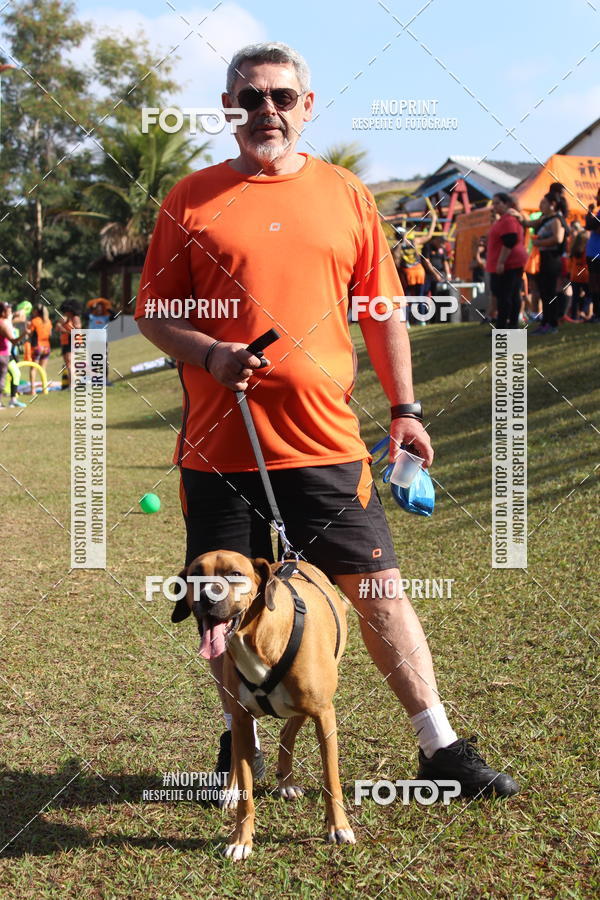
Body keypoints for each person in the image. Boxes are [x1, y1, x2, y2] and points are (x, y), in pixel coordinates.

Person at [135, 41, 519, 798]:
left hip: (326, 447)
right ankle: (239, 738)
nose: (265, 111)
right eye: (249, 98)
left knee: (378, 592)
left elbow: (382, 313)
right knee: (222, 605)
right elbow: (155, 312)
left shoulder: (346, 195)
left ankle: (437, 746)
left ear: (307, 107)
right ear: (227, 108)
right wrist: (210, 352)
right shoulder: (189, 198)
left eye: (281, 97)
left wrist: (405, 410)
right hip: (220, 451)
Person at [485, 193, 528, 329]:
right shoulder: (505, 219)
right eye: (493, 203)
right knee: (508, 294)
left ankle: (506, 325)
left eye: (497, 203)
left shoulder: (508, 220)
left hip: (510, 263)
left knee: (506, 295)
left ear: (506, 204)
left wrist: (501, 262)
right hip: (509, 262)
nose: (494, 206)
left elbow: (510, 241)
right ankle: (507, 324)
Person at [530, 193, 567, 335]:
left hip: (552, 259)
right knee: (544, 292)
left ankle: (552, 324)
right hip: (543, 259)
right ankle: (545, 322)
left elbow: (558, 238)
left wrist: (539, 243)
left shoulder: (556, 219)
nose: (541, 206)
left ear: (552, 204)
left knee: (549, 292)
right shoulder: (544, 219)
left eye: (543, 203)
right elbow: (529, 224)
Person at [0, 302, 26, 408]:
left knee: (15, 374)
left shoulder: (7, 319)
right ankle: (10, 400)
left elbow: (20, 317)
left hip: (8, 353)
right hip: (4, 354)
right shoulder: (4, 323)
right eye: (8, 310)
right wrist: (25, 333)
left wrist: (16, 313)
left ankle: (13, 400)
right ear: (3, 312)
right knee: (4, 377)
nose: (10, 312)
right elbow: (13, 340)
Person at [27, 303, 52, 394]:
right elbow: (50, 334)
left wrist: (27, 326)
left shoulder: (34, 321)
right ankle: (45, 389)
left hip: (37, 347)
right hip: (47, 347)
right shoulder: (48, 321)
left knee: (33, 368)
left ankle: (33, 390)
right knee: (43, 369)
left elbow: (29, 333)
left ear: (36, 311)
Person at [57, 300, 82, 387]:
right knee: (68, 364)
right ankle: (72, 384)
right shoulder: (66, 318)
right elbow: (57, 328)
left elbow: (77, 331)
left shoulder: (75, 318)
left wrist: (64, 330)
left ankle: (73, 385)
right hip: (66, 342)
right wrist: (60, 326)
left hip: (72, 342)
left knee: (70, 363)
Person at [567, 224, 589, 321]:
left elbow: (570, 262)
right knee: (589, 294)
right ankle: (583, 311)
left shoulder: (573, 248)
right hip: (584, 275)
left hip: (574, 275)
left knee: (575, 297)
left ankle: (574, 316)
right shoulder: (586, 249)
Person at [584, 189, 600, 323]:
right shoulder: (598, 212)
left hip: (597, 254)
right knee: (593, 284)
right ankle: (595, 314)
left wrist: (589, 215)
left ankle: (597, 314)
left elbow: (591, 226)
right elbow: (590, 226)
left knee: (596, 284)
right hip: (593, 253)